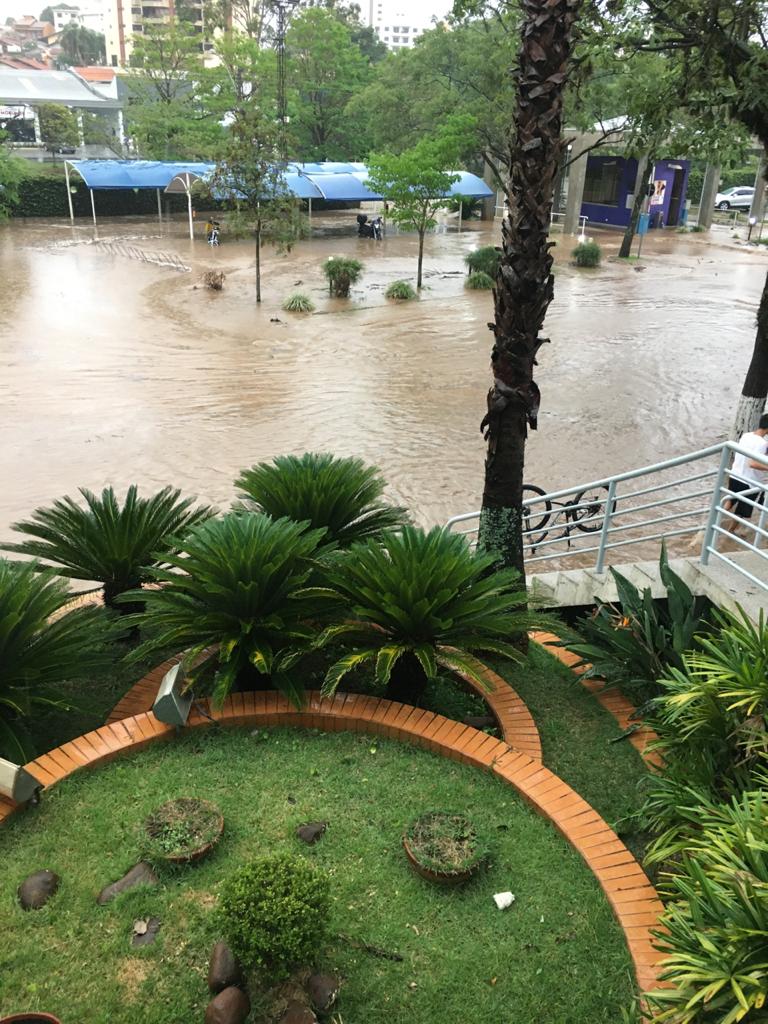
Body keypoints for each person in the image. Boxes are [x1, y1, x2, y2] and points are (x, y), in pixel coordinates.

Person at [722, 414, 768, 534]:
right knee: (741, 511)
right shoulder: (762, 443)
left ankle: (714, 522)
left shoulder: (746, 435)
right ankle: (730, 532)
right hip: (749, 481)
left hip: (735, 475)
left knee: (730, 500)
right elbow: (752, 463)